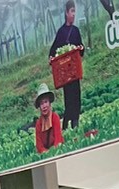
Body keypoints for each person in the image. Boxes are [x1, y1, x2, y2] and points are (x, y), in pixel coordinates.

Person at [49, 3, 84, 133]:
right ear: (66, 13)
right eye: (72, 11)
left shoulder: (76, 31)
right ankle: (65, 125)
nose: (73, 14)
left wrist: (81, 48)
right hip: (66, 75)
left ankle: (75, 124)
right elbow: (53, 50)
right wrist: (51, 58)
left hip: (75, 71)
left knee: (77, 97)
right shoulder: (61, 32)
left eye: (75, 11)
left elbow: (81, 49)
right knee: (69, 100)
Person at [34, 84, 64, 153]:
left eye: (46, 102)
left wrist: (54, 152)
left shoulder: (55, 117)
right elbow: (39, 146)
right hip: (46, 154)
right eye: (41, 103)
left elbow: (58, 140)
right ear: (39, 107)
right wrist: (47, 153)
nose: (44, 106)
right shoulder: (38, 124)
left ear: (49, 103)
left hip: (58, 151)